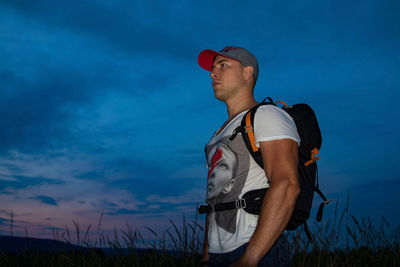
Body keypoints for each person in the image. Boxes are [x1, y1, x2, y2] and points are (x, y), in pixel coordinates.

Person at [198, 46, 301, 267]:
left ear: (247, 73)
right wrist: (207, 255)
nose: (213, 73)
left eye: (223, 66)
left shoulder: (267, 115)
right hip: (219, 254)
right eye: (213, 68)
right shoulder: (218, 134)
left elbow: (287, 184)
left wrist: (251, 258)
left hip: (257, 249)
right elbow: (214, 197)